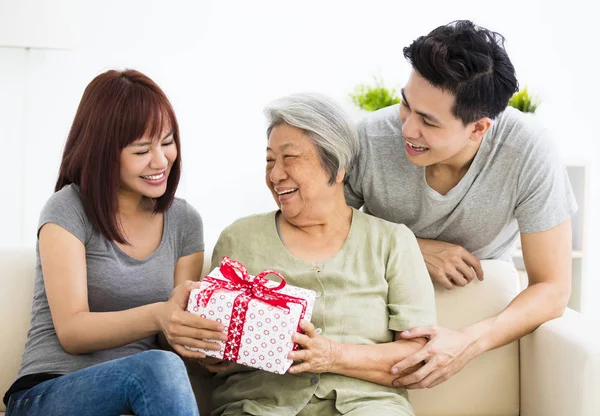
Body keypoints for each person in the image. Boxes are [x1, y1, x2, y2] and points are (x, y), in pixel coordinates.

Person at [344, 20, 576, 389]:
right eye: (406, 104)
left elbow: (552, 287)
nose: (406, 129)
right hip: (373, 303)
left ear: (479, 128)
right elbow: (315, 227)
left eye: (429, 122)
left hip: (474, 305)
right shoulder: (368, 138)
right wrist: (412, 248)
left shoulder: (528, 150)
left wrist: (468, 342)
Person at [3, 69, 227, 415]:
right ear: (104, 152)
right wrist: (159, 315)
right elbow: (72, 331)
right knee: (157, 368)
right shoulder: (67, 209)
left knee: (162, 367)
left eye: (167, 142)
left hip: (140, 396)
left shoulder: (185, 222)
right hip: (48, 393)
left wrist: (202, 347)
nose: (161, 160)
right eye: (142, 150)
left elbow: (172, 334)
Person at [205, 92, 436, 416]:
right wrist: (209, 348)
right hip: (261, 408)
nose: (275, 175)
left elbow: (418, 358)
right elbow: (210, 351)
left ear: (337, 167)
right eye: (270, 160)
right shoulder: (239, 239)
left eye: (290, 158)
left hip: (368, 408)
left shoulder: (392, 242)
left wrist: (331, 355)